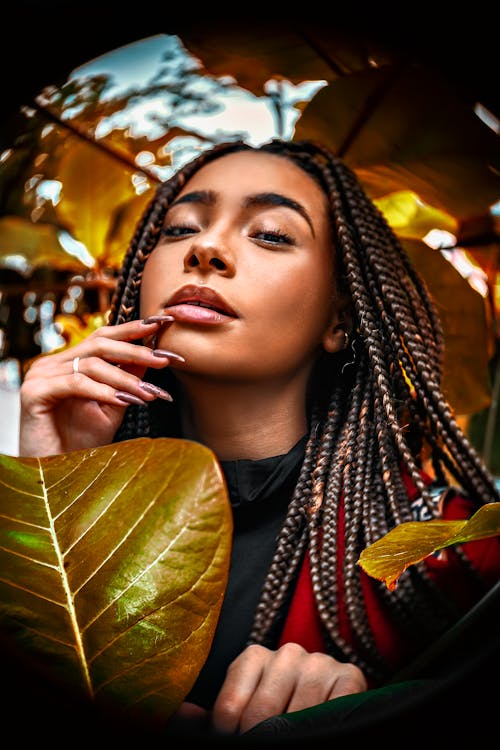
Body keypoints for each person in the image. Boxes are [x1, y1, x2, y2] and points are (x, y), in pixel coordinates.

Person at [18, 138, 500, 739]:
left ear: (338, 319)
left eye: (270, 233)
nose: (206, 247)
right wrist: (53, 493)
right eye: (179, 228)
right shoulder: (50, 476)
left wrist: (371, 712)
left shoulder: (458, 555)